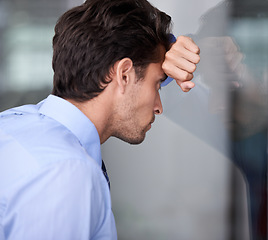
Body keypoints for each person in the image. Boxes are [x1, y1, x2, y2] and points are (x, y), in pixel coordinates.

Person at [0, 0, 200, 239]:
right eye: (157, 83)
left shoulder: (13, 125)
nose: (159, 107)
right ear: (124, 75)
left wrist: (163, 50)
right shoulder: (68, 173)